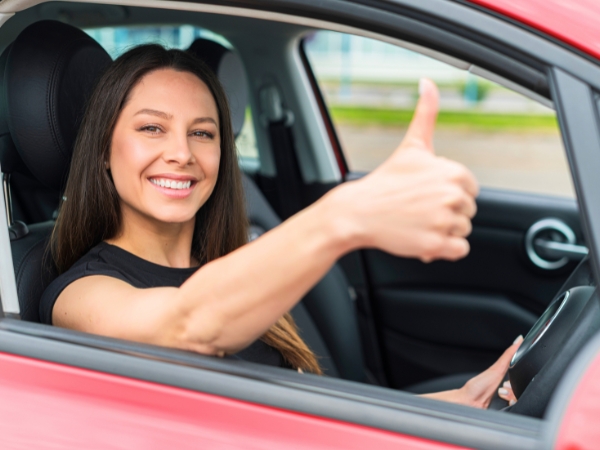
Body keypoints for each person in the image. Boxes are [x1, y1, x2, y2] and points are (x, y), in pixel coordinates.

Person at [40, 44, 518, 408]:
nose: (182, 154)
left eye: (203, 133)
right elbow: (188, 324)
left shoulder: (235, 270)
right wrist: (344, 215)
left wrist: (456, 406)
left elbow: (315, 416)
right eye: (151, 128)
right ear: (103, 151)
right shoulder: (78, 296)